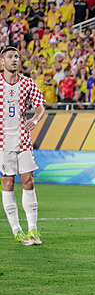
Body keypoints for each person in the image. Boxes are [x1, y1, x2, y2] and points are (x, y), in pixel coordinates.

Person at [1, 46, 46, 246]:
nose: (14, 59)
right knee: (8, 183)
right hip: (3, 141)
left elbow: (40, 106)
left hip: (23, 138)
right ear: (3, 61)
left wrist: (35, 120)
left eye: (17, 56)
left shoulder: (27, 83)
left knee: (28, 181)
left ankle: (33, 229)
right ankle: (17, 230)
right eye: (10, 56)